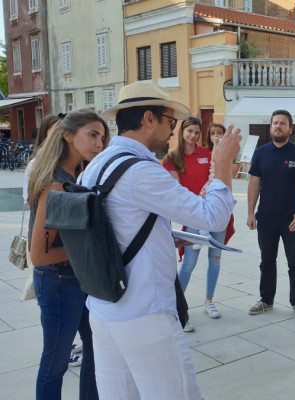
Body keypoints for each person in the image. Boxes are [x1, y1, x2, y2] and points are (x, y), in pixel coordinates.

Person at [80, 81, 241, 399]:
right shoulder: (141, 170)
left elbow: (116, 224)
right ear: (149, 119)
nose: (173, 130)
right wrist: (222, 164)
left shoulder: (97, 164)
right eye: (170, 122)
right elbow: (213, 217)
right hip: (144, 312)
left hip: (103, 307)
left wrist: (163, 237)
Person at [28, 109, 109, 399]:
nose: (99, 143)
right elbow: (39, 255)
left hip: (77, 278)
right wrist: (90, 246)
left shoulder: (77, 175)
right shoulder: (55, 183)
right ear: (68, 136)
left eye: (102, 136)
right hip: (58, 280)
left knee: (96, 347)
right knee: (56, 361)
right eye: (92, 135)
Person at [247, 110, 295, 318]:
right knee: (267, 260)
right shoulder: (260, 153)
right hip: (266, 217)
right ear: (270, 127)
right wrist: (251, 212)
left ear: (290, 129)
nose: (278, 126)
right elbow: (254, 183)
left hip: (292, 219)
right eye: (275, 123)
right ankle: (266, 300)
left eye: (282, 123)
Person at [162, 118, 226, 332]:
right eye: (190, 131)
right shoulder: (172, 158)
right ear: (182, 132)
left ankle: (209, 301)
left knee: (215, 260)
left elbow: (218, 178)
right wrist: (196, 206)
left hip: (214, 214)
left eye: (197, 132)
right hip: (193, 216)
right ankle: (178, 309)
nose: (193, 136)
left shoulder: (206, 154)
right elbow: (176, 190)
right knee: (189, 263)